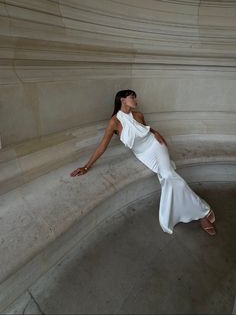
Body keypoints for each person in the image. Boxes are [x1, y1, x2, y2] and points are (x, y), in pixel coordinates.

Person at [70, 89, 216, 236]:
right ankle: (198, 210)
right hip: (144, 154)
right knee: (167, 178)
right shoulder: (114, 122)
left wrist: (156, 132)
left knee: (167, 175)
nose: (136, 100)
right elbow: (102, 146)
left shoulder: (139, 115)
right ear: (122, 99)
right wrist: (86, 166)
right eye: (132, 97)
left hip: (156, 146)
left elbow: (145, 129)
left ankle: (203, 212)